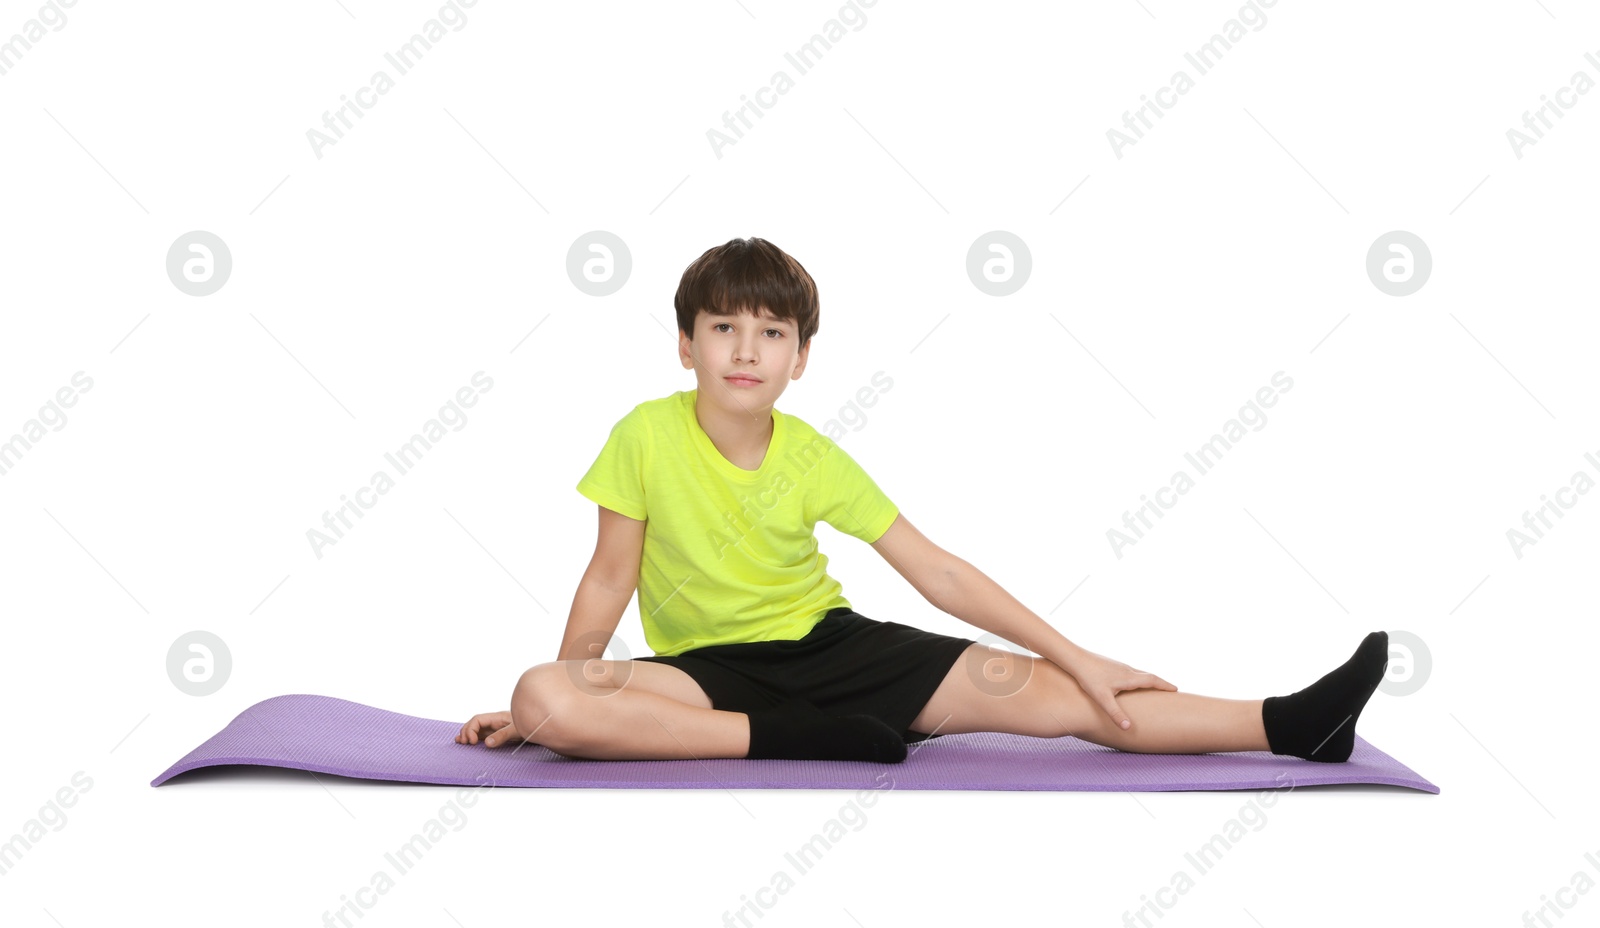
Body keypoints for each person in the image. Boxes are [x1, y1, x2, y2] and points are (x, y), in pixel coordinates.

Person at [457, 237, 1389, 765]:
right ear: (686, 345)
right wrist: (568, 689)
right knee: (541, 697)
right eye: (723, 328)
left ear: (801, 356)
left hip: (841, 654)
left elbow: (935, 570)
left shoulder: (815, 456)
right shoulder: (643, 435)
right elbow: (608, 576)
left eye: (771, 331)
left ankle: (1291, 722)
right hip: (706, 673)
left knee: (1071, 700)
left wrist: (1076, 654)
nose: (746, 348)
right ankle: (808, 742)